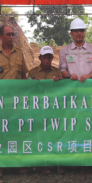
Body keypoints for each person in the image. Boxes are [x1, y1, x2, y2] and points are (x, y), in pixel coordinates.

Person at [0, 24, 29, 178]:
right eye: (8, 34)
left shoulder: (20, 53)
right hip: (0, 101)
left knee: (16, 131)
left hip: (16, 100)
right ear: (0, 36)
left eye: (13, 34)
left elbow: (24, 76)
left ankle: (17, 163)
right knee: (0, 133)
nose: (11, 37)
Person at [28, 46, 61, 175]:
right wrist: (33, 84)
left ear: (52, 58)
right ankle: (39, 163)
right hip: (38, 109)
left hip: (53, 109)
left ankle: (54, 162)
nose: (47, 60)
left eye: (49, 58)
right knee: (38, 135)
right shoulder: (32, 73)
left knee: (53, 135)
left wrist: (60, 82)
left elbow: (64, 89)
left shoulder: (58, 72)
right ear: (40, 58)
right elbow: (27, 89)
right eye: (44, 58)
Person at [59, 18, 92, 83]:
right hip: (72, 87)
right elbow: (62, 69)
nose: (79, 33)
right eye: (76, 31)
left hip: (89, 86)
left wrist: (89, 76)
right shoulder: (64, 51)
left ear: (85, 32)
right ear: (71, 34)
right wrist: (70, 76)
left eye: (81, 30)